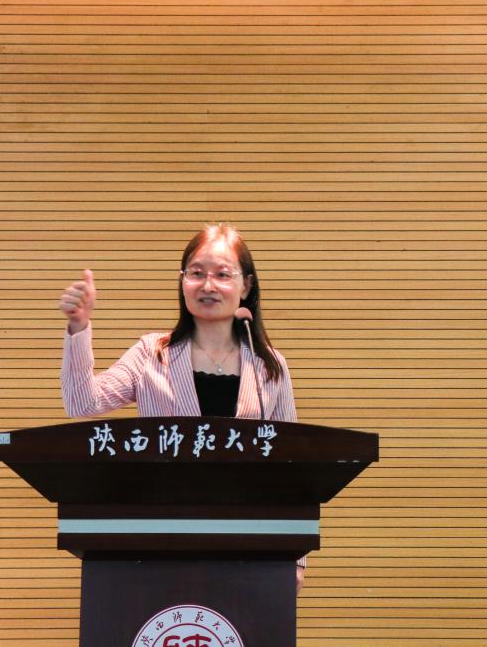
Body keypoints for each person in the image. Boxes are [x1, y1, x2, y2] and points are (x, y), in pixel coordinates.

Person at [58, 223, 305, 591]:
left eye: (222, 274)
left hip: (248, 547)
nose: (208, 285)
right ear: (182, 281)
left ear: (246, 286)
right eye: (196, 273)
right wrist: (79, 327)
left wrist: (295, 559)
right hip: (161, 540)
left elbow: (292, 469)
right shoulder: (151, 354)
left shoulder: (269, 366)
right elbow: (82, 402)